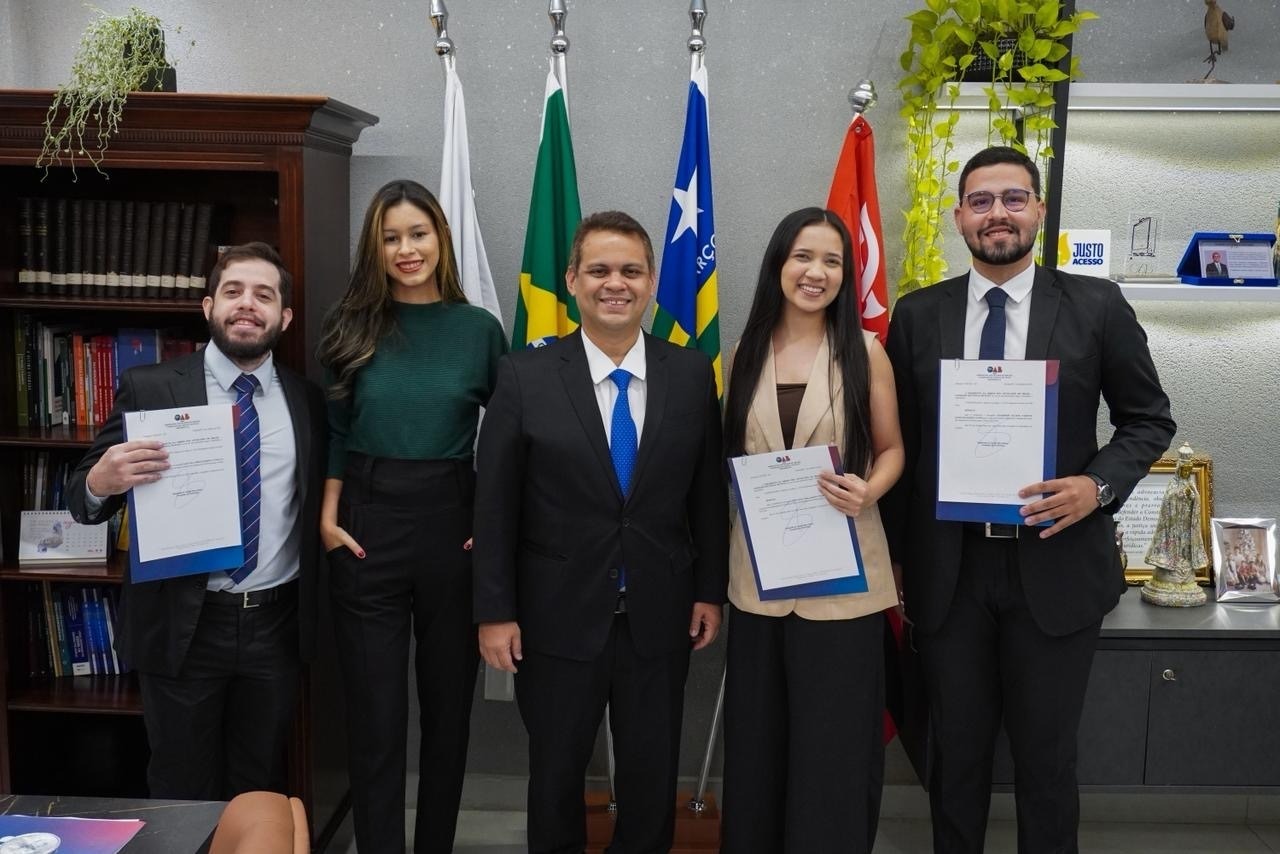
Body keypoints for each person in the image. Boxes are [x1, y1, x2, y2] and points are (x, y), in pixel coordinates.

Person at [883, 146, 1175, 853]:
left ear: (1040, 210)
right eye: (981, 201)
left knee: (1046, 762)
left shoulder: (1097, 306)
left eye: (1014, 199)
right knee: (955, 758)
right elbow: (901, 446)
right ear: (960, 217)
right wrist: (893, 558)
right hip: (950, 572)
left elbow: (1148, 420)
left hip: (1057, 563)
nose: (998, 214)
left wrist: (1095, 486)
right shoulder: (917, 315)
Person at [473, 210, 728, 854]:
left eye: (631, 271)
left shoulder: (691, 373)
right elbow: (495, 505)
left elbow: (706, 496)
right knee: (555, 774)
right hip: (554, 617)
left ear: (651, 283)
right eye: (599, 270)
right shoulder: (524, 375)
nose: (616, 284)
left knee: (651, 775)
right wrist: (495, 612)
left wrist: (709, 590)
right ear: (572, 281)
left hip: (659, 613)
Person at [66, 242, 326, 800]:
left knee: (259, 788)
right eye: (233, 292)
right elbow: (82, 500)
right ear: (209, 307)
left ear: (284, 317)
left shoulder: (308, 400)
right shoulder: (150, 387)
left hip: (275, 625)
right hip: (184, 624)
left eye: (263, 295)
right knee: (181, 789)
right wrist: (100, 481)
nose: (247, 304)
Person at [317, 179, 506, 854]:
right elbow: (338, 431)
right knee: (375, 715)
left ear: (440, 239)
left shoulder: (478, 330)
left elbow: (508, 436)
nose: (406, 249)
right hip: (364, 522)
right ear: (374, 247)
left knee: (448, 712)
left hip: (453, 522)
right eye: (391, 237)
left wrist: (492, 522)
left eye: (418, 234)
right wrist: (329, 517)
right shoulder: (349, 324)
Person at [719, 208, 903, 854]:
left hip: (844, 584)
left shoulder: (866, 352)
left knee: (835, 750)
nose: (815, 272)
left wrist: (869, 490)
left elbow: (892, 450)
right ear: (778, 263)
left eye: (831, 261)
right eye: (803, 256)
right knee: (757, 747)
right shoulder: (742, 355)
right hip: (759, 585)